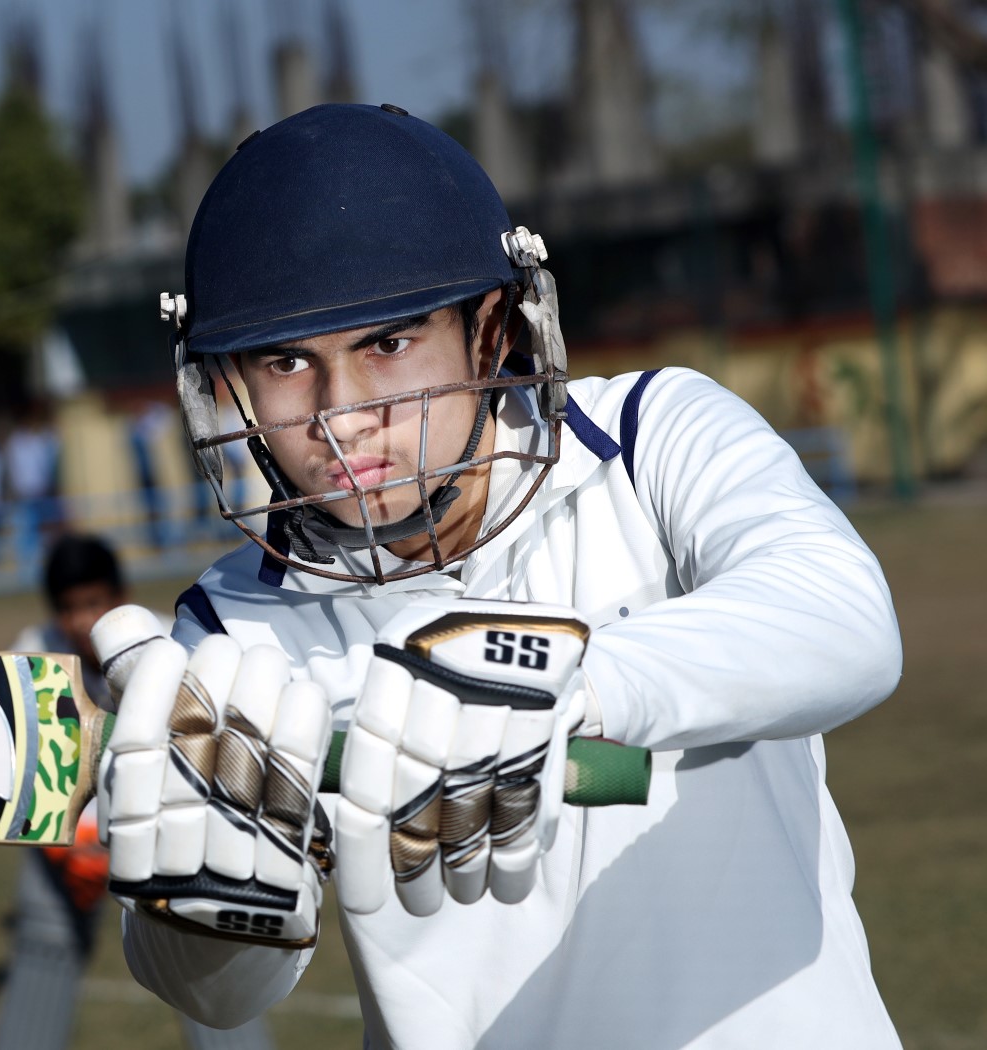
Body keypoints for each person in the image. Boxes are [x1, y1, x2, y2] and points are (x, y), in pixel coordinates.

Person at [90, 104, 901, 1048]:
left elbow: (845, 619)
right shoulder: (233, 631)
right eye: (284, 362)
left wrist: (562, 682)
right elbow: (220, 1001)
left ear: (490, 330)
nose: (341, 419)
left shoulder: (648, 439)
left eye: (385, 345)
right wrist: (204, 905)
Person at [0, 535, 274, 1050]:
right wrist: (70, 848)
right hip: (71, 841)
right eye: (69, 609)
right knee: (44, 933)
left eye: (94, 604)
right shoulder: (36, 654)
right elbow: (24, 774)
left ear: (121, 595)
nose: (82, 622)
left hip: (168, 830)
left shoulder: (169, 643)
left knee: (203, 937)